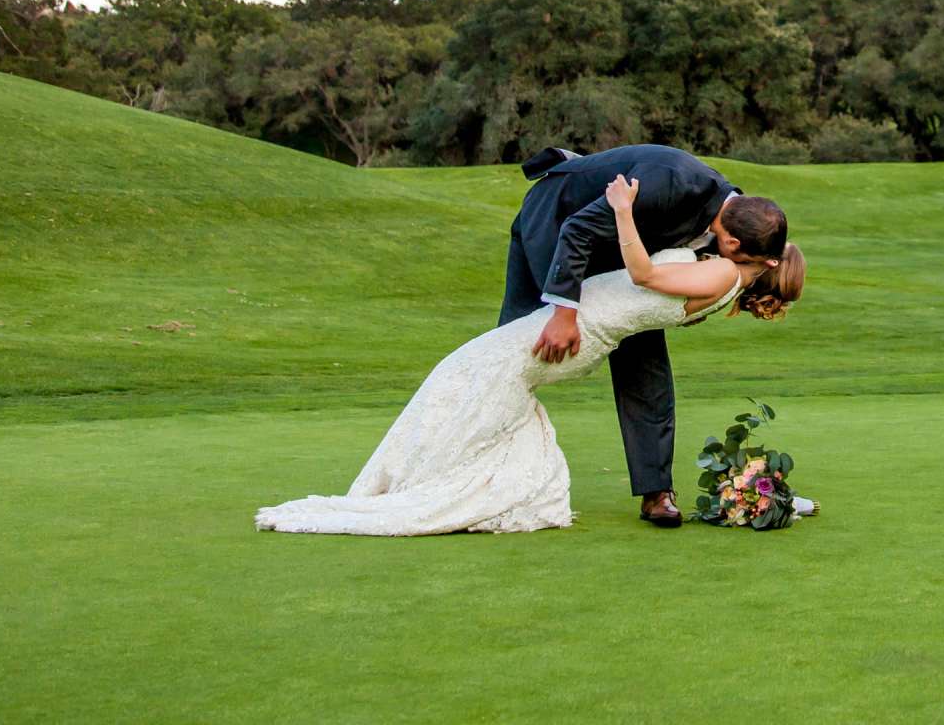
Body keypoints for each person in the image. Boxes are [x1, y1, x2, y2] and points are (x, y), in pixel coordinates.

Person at [257, 170, 804, 536]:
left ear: (741, 249)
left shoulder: (720, 265)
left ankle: (457, 483)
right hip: (562, 226)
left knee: (488, 369)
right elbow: (586, 233)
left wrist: (620, 211)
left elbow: (644, 273)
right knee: (492, 370)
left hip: (602, 308)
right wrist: (567, 303)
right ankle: (463, 465)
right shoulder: (692, 207)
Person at [502, 143, 790, 525]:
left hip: (611, 246)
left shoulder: (734, 212)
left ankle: (657, 492)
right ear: (734, 244)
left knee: (643, 350)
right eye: (745, 263)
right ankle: (492, 468)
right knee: (514, 349)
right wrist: (564, 311)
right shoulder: (669, 186)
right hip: (555, 220)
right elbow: (578, 229)